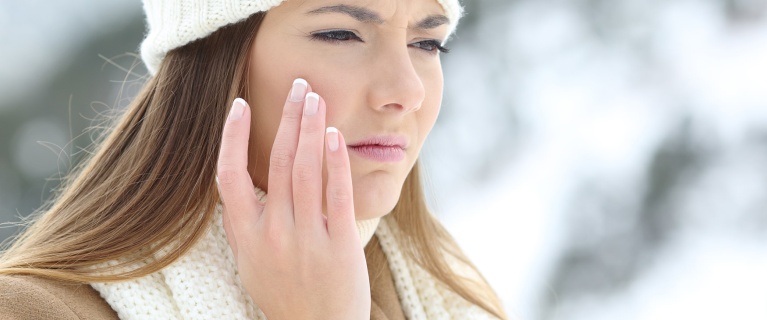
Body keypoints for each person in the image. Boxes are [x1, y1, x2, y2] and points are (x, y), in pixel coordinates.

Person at [0, 0, 507, 319]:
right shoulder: (32, 311)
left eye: (427, 42)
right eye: (340, 34)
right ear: (214, 59)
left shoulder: (452, 295)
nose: (407, 90)